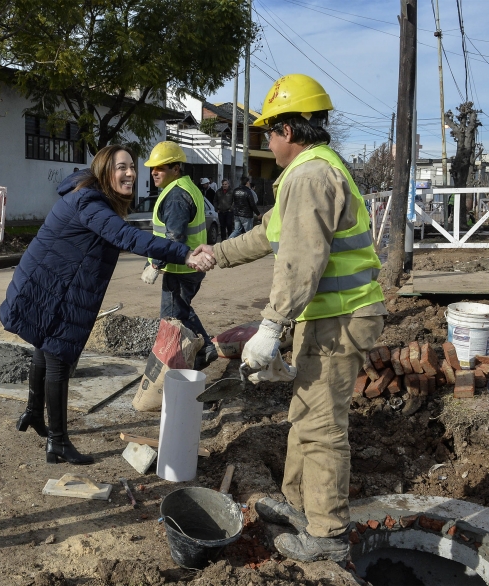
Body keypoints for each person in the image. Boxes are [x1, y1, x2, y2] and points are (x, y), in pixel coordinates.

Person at [193, 74, 385, 563]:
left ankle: (327, 535)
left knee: (321, 425)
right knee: (304, 415)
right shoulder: (310, 172)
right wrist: (217, 253)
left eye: (268, 132)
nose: (266, 141)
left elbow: (301, 262)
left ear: (288, 131)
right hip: (327, 319)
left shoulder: (308, 176)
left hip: (337, 321)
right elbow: (267, 236)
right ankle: (302, 506)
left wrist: (271, 325)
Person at [0, 145, 212, 465]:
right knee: (57, 360)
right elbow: (129, 237)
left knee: (43, 350)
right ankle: (57, 441)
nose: (130, 173)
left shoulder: (84, 193)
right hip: (57, 291)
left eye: (131, 167)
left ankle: (33, 413)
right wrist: (183, 254)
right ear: (103, 171)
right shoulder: (90, 202)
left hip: (45, 283)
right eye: (120, 168)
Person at [143, 141, 218, 369]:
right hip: (186, 268)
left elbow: (174, 237)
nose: (154, 172)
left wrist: (155, 265)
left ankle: (202, 350)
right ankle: (200, 351)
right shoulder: (185, 187)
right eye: (153, 168)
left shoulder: (176, 196)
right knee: (180, 311)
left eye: (161, 168)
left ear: (176, 169)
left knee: (173, 317)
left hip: (181, 269)